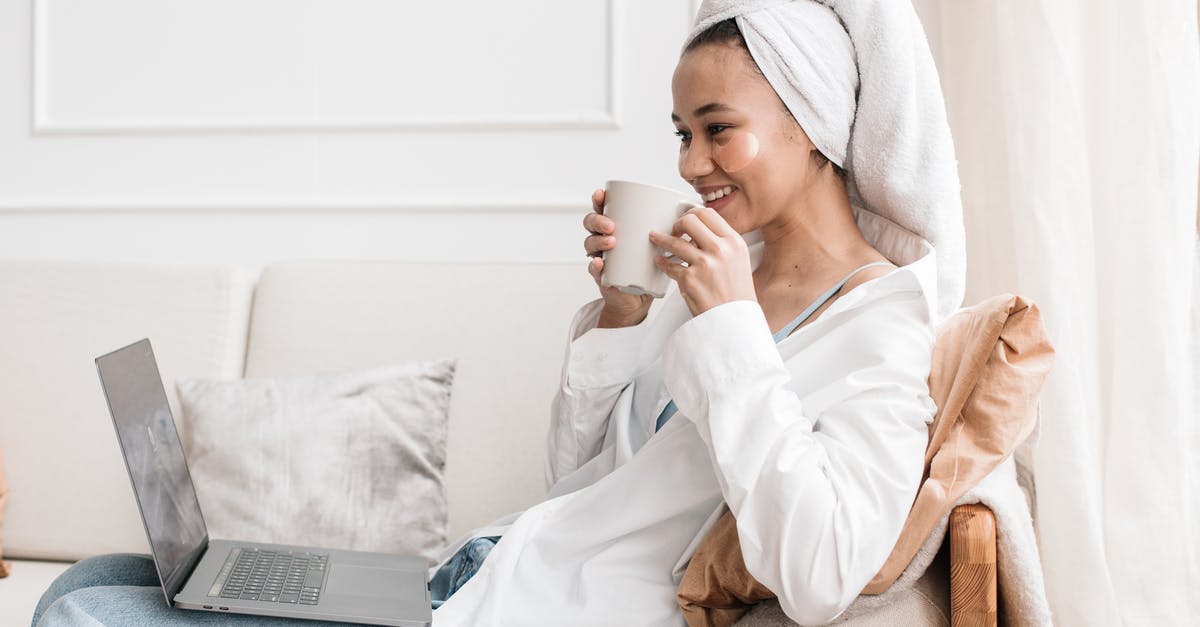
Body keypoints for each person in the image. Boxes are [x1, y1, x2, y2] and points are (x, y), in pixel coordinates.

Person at [35, 1, 963, 625]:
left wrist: (728, 332)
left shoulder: (879, 323)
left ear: (810, 121)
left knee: (80, 614)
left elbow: (824, 567)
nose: (689, 165)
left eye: (719, 129)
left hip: (540, 609)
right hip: (486, 573)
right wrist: (623, 316)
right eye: (681, 135)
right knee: (91, 580)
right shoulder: (719, 282)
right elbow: (573, 481)